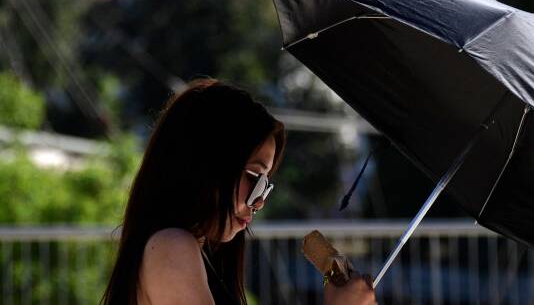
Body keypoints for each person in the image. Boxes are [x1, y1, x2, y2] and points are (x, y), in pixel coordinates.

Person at [101, 78, 376, 305]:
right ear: (208, 163)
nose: (259, 202)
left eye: (266, 186)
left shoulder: (188, 249)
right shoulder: (172, 246)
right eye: (255, 178)